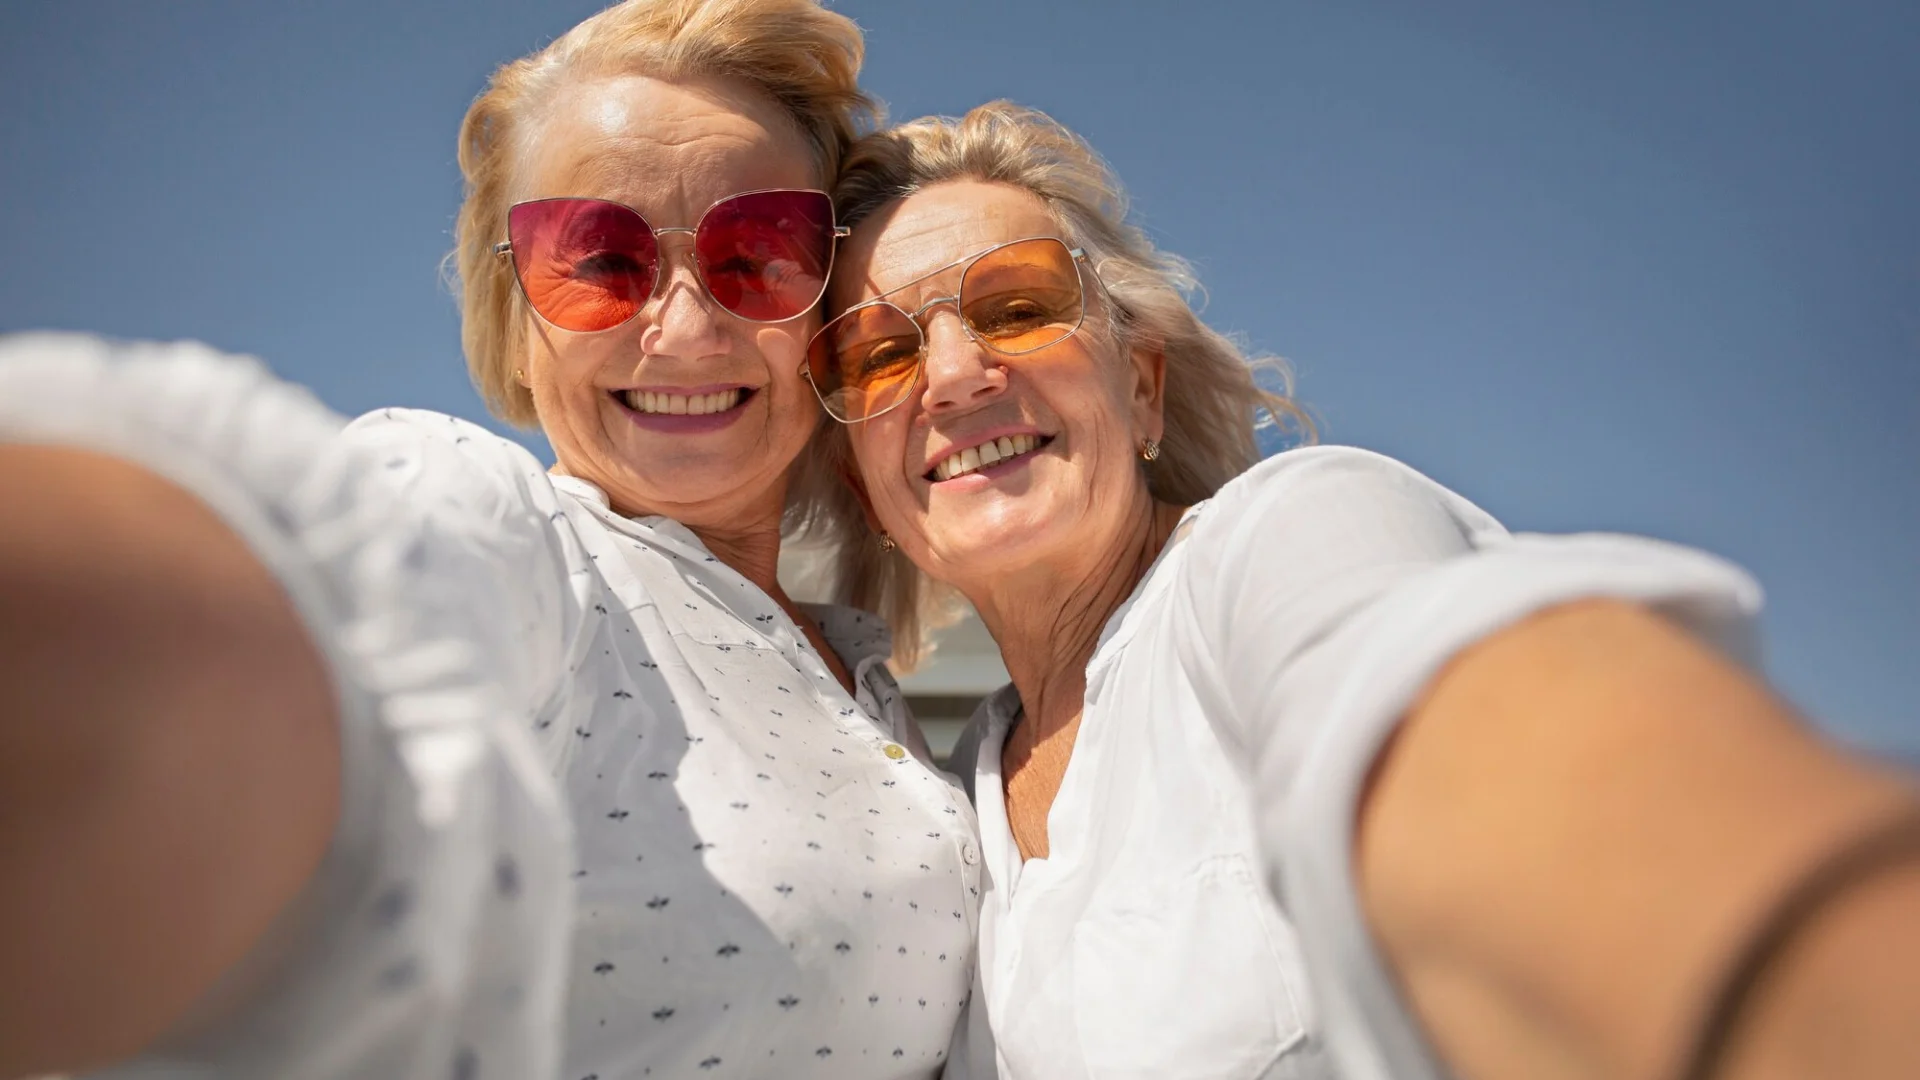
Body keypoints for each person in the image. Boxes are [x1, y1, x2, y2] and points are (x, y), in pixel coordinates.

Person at [811, 101, 1920, 1080]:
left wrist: (1808, 965)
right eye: (880, 356)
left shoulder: (1282, 541)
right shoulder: (947, 813)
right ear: (868, 492)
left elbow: (1500, 764)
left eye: (1016, 306)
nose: (953, 374)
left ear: (1141, 388)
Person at [0, 4, 983, 1079]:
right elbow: (324, 599)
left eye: (758, 252)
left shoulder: (862, 679)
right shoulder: (512, 538)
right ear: (516, 321)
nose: (688, 327)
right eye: (599, 262)